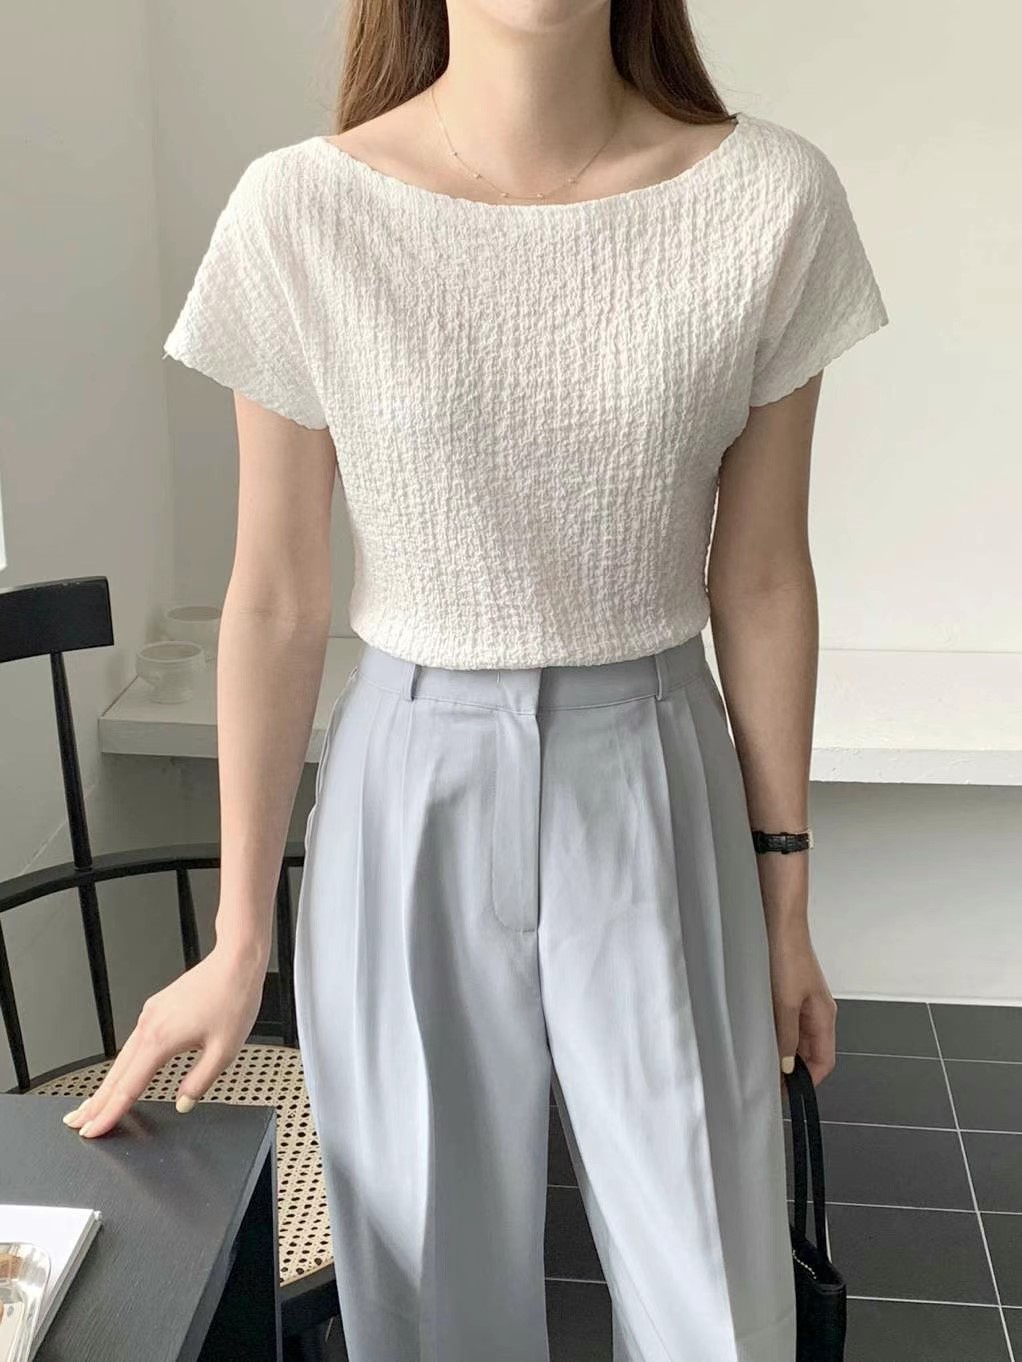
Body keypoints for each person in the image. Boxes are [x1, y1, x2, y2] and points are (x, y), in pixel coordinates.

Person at [61, 0, 890, 1355]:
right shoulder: (304, 211)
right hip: (407, 774)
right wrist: (239, 933)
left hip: (655, 760)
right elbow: (276, 595)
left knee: (717, 1292)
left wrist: (785, 903)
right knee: (427, 1287)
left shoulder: (767, 199)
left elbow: (758, 579)